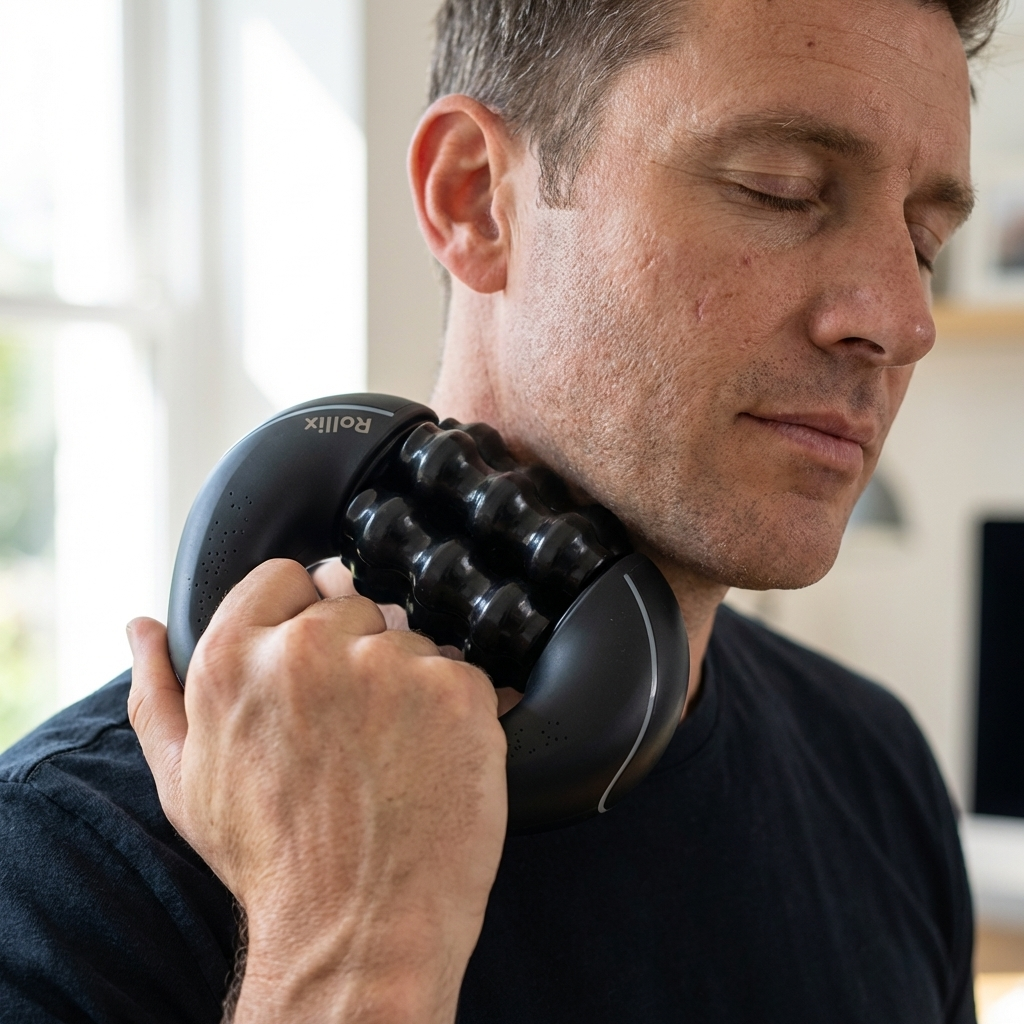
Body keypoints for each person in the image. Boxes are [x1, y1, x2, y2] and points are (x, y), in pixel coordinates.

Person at [0, 0, 1001, 1020]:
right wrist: (349, 958)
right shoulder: (56, 867)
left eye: (923, 241)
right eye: (778, 190)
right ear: (475, 200)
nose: (902, 319)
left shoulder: (876, 768)